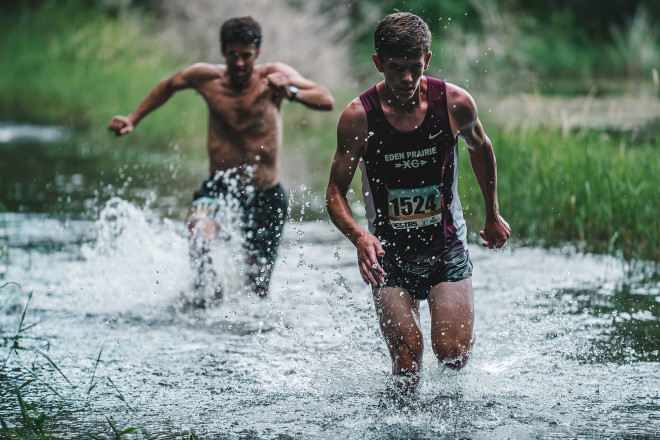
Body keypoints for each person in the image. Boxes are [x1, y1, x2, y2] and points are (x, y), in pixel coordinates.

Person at [326, 12, 510, 386]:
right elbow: (334, 195)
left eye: (414, 66)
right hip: (390, 252)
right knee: (407, 366)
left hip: (446, 246)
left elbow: (481, 148)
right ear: (378, 63)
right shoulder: (358, 117)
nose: (406, 78)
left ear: (427, 59)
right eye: (395, 68)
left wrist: (492, 213)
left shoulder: (455, 103)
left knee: (453, 356)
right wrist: (360, 238)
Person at [108, 16, 334, 300]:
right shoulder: (207, 78)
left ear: (258, 53)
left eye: (246, 56)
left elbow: (326, 99)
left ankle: (241, 327)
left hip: (265, 195)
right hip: (218, 188)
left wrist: (289, 91)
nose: (239, 63)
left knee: (257, 287)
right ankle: (207, 300)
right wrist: (133, 118)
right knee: (198, 237)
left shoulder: (273, 76)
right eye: (233, 55)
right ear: (222, 51)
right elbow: (168, 85)